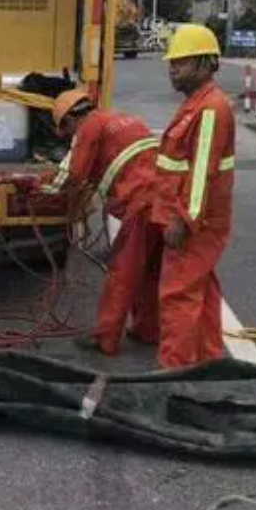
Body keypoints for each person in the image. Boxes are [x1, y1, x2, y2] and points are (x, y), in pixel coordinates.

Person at [33, 90, 159, 355]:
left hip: (141, 201)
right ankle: (148, 329)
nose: (69, 139)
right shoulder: (120, 119)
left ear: (69, 120)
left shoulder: (89, 127)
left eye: (66, 133)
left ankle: (106, 338)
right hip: (164, 198)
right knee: (149, 269)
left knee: (123, 270)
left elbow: (72, 175)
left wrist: (37, 187)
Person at [150, 23, 235, 368]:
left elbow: (202, 172)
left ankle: (174, 376)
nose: (173, 70)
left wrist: (184, 220)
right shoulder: (197, 105)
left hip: (195, 224)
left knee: (178, 297)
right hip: (193, 218)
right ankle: (209, 362)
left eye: (181, 63)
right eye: (172, 63)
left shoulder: (210, 108)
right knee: (202, 290)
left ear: (204, 64)